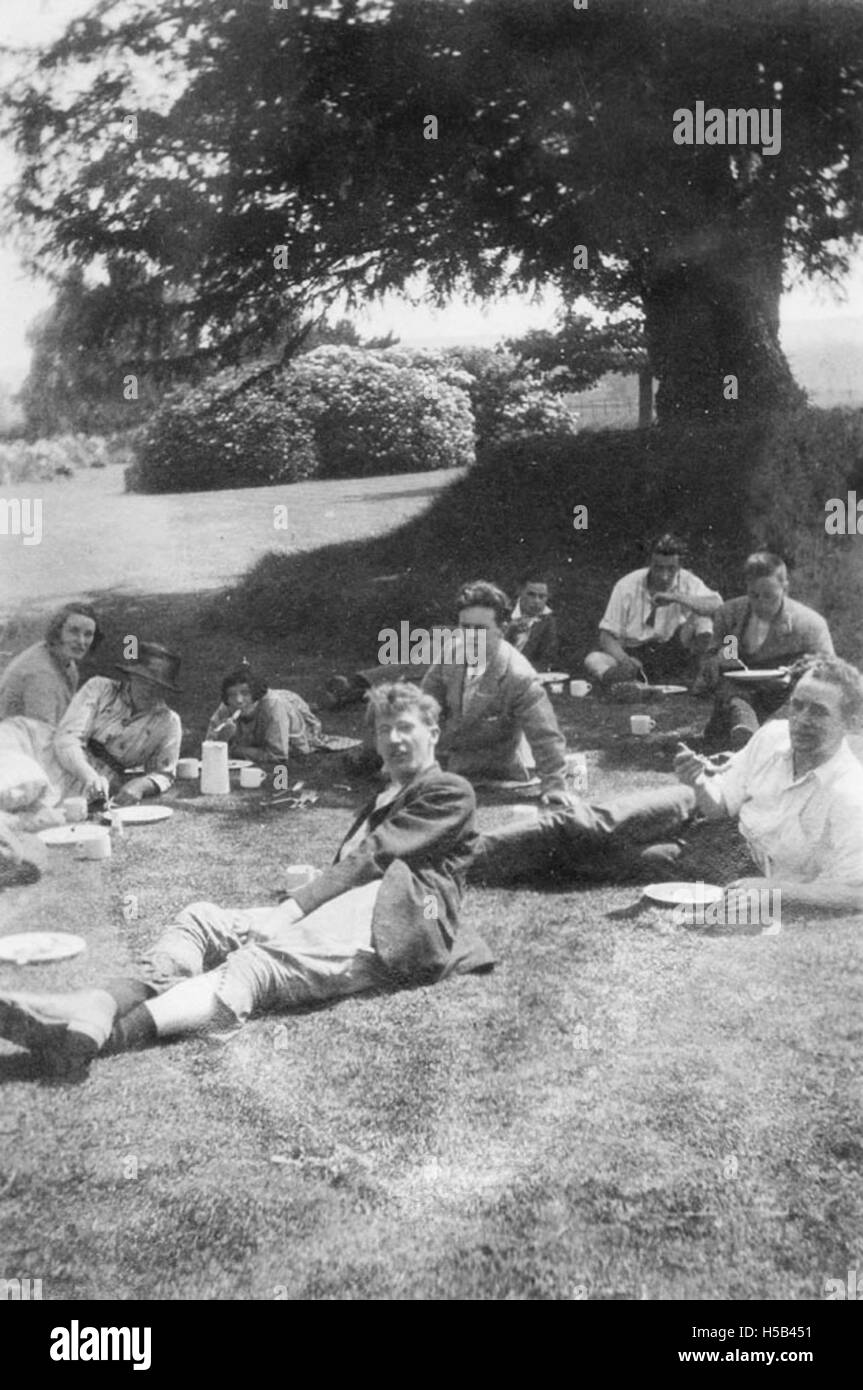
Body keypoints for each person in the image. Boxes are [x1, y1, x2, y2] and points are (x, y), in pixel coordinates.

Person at [0, 683, 494, 1079]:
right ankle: (103, 1002)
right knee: (201, 919)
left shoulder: (450, 791)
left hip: (390, 930)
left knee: (251, 965)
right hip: (340, 915)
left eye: (406, 728)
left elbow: (375, 857)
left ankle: (94, 1038)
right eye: (384, 730)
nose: (394, 739)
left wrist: (291, 910)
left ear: (433, 731)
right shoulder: (391, 790)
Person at [471, 656, 863, 915]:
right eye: (798, 704)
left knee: (603, 862)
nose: (801, 719)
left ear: (848, 722)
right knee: (591, 822)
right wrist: (697, 782)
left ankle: (461, 871)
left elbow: (855, 891)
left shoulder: (849, 794)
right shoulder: (774, 735)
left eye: (818, 712)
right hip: (702, 811)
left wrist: (777, 893)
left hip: (729, 864)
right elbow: (718, 804)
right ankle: (457, 856)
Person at [421, 580, 572, 804]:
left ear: (502, 630)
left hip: (499, 771)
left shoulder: (519, 674)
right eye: (466, 628)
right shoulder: (451, 651)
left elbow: (545, 734)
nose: (471, 637)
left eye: (480, 630)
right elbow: (423, 707)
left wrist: (554, 786)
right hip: (448, 763)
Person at [697, 552, 835, 750]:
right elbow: (712, 657)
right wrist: (719, 658)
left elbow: (828, 669)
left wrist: (800, 669)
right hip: (737, 692)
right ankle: (746, 730)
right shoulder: (729, 613)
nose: (760, 603)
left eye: (769, 596)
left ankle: (761, 734)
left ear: (785, 588)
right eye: (754, 595)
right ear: (747, 588)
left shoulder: (810, 623)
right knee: (729, 690)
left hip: (784, 695)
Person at [584, 533, 721, 689]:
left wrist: (676, 597)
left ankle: (700, 674)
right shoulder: (626, 585)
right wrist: (625, 660)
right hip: (633, 653)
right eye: (658, 568)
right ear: (649, 563)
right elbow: (606, 636)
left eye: (671, 569)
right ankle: (627, 684)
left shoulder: (687, 580)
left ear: (679, 567)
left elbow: (717, 605)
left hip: (674, 650)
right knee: (593, 659)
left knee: (703, 617)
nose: (664, 576)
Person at [0, 602, 102, 727]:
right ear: (58, 632)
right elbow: (41, 739)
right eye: (73, 631)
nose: (81, 641)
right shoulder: (41, 676)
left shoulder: (65, 660)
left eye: (88, 634)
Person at [206, 665, 324, 764]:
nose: (238, 700)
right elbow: (208, 748)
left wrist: (234, 750)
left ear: (255, 692)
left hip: (290, 707)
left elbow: (278, 755)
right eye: (232, 694)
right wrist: (223, 738)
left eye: (245, 693)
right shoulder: (227, 706)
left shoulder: (272, 706)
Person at [503, 574, 560, 671]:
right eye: (531, 595)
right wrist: (507, 632)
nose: (536, 601)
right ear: (520, 592)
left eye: (542, 596)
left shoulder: (550, 621)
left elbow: (545, 661)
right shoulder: (501, 612)